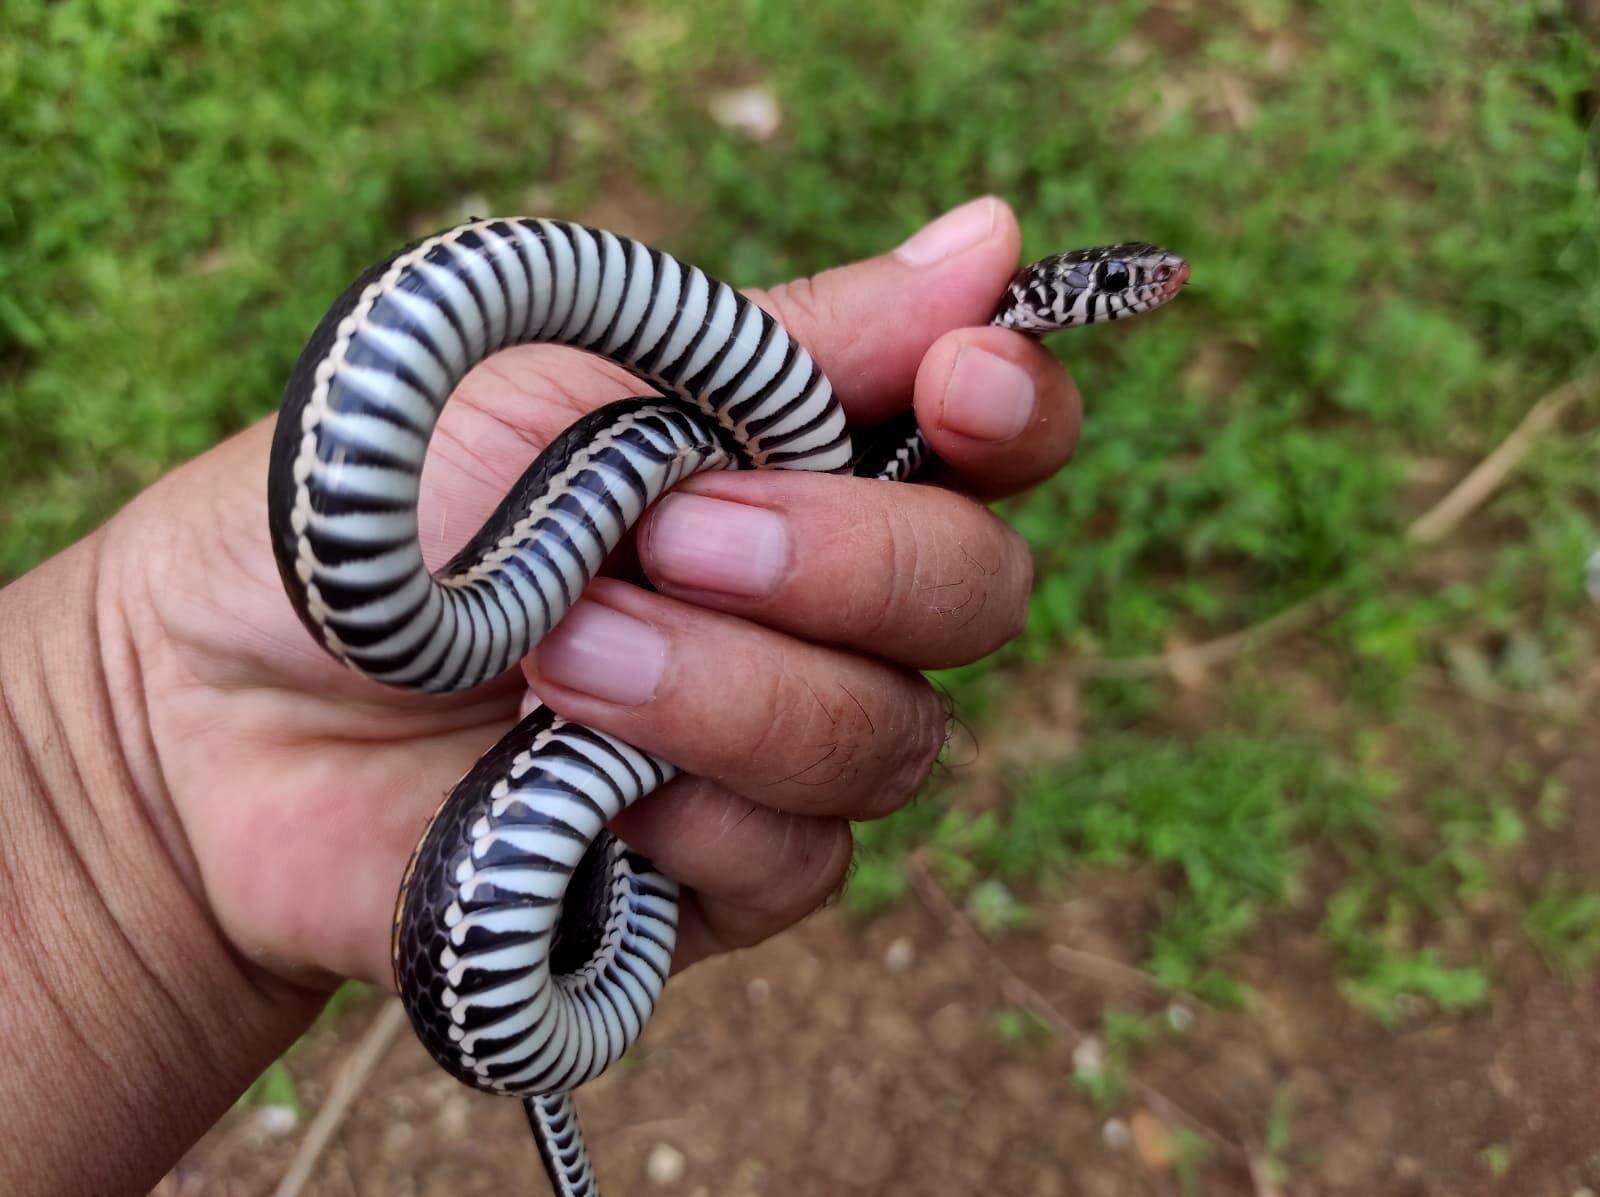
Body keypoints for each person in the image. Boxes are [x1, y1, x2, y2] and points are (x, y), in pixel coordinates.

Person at [0, 197, 1088, 1194]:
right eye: (1110, 288)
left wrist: (135, 817)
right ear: (1052, 297)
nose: (1135, 292)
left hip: (513, 885)